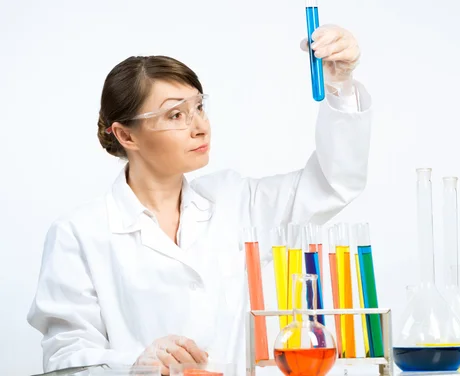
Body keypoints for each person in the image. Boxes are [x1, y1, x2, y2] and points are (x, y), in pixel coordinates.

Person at [27, 24, 372, 376]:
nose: (201, 127)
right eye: (176, 115)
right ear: (126, 134)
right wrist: (137, 365)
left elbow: (334, 182)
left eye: (199, 108)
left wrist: (340, 86)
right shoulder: (78, 234)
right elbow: (65, 362)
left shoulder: (235, 201)